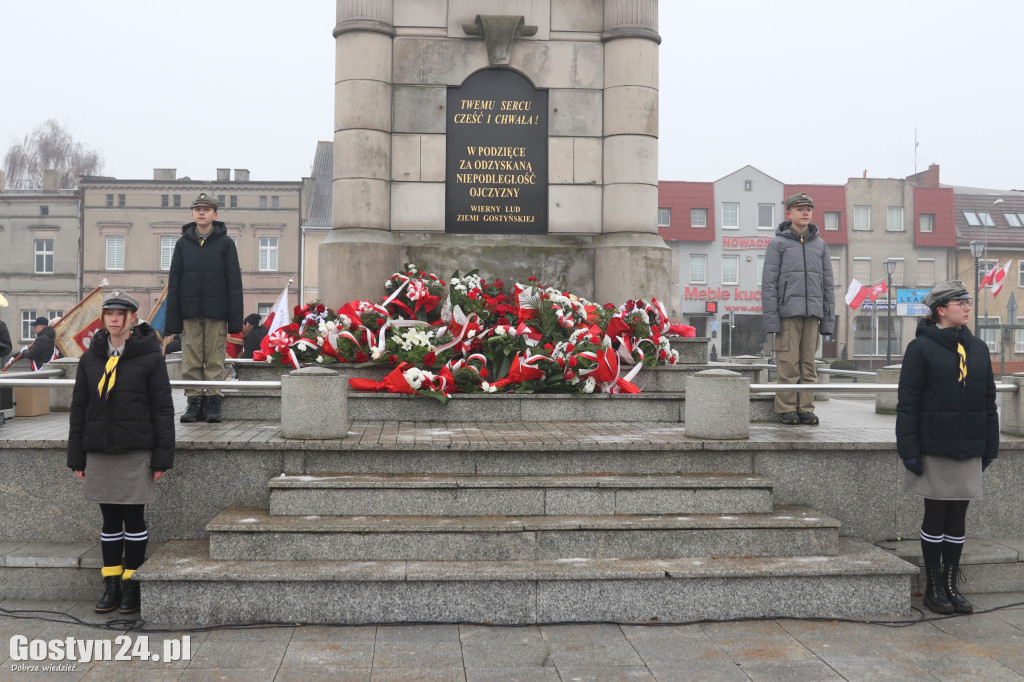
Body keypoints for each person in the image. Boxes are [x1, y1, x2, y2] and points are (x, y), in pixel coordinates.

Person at [67, 290, 175, 615]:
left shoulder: (150, 356)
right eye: (109, 314)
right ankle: (111, 583)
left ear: (132, 319)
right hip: (100, 449)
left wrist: (162, 457)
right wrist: (76, 455)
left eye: (120, 314)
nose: (114, 319)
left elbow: (162, 410)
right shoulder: (91, 357)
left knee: (134, 518)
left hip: (135, 449)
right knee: (110, 519)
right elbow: (79, 408)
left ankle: (133, 585)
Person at [897, 280, 997, 615]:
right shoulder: (921, 348)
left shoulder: (978, 348)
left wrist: (990, 445)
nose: (967, 306)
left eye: (968, 302)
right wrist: (908, 449)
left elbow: (988, 401)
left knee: (959, 516)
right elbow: (908, 403)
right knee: (936, 515)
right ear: (941, 310)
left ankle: (952, 585)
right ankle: (934, 587)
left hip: (969, 446)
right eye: (960, 302)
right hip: (935, 446)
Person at [164, 192, 243, 423]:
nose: (201, 212)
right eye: (197, 208)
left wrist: (235, 320)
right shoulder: (182, 244)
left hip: (216, 313)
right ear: (192, 213)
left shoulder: (226, 244)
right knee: (191, 359)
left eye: (206, 209)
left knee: (215, 358)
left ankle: (214, 400)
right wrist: (172, 319)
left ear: (215, 214)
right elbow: (175, 283)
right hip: (189, 312)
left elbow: (234, 284)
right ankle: (195, 401)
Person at [761, 192, 835, 425]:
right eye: (800, 208)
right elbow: (769, 285)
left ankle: (806, 408)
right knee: (788, 364)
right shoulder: (778, 244)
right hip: (788, 314)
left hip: (813, 313)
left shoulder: (820, 245)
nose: (805, 212)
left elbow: (828, 285)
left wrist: (828, 320)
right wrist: (772, 321)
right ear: (789, 212)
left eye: (809, 209)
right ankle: (786, 409)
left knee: (808, 364)